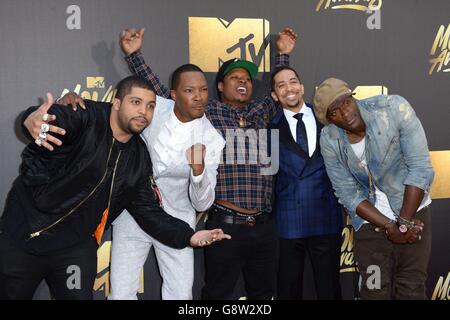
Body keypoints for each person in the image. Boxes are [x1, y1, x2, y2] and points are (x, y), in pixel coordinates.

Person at [0, 76, 229, 300]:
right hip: (24, 237)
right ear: (117, 104)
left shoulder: (138, 157)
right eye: (135, 102)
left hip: (74, 247)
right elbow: (51, 119)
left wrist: (190, 236)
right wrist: (30, 118)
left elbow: (148, 210)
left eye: (150, 106)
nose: (143, 112)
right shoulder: (85, 114)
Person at [120, 27, 297, 299]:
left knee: (264, 295)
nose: (242, 81)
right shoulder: (208, 111)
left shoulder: (262, 111)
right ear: (219, 87)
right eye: (234, 77)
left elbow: (281, 89)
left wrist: (283, 55)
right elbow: (163, 91)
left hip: (263, 225)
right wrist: (134, 56)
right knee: (217, 294)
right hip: (224, 224)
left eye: (247, 79)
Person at [108, 64, 225, 300]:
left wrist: (199, 172)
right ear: (173, 95)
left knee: (180, 294)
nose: (199, 97)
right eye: (190, 91)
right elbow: (115, 112)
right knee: (121, 292)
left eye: (203, 90)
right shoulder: (154, 108)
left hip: (177, 220)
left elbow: (203, 203)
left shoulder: (212, 139)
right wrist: (73, 103)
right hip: (133, 212)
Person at [313, 78, 434, 299]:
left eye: (346, 102)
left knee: (412, 288)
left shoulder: (393, 109)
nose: (345, 112)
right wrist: (389, 226)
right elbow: (347, 193)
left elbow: (420, 169)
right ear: (328, 120)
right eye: (335, 112)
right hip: (372, 225)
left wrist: (404, 225)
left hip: (413, 213)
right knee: (373, 288)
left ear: (352, 97)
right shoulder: (329, 139)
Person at [269, 66, 343, 299]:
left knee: (330, 289)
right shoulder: (269, 129)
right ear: (274, 95)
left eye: (293, 82)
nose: (288, 88)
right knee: (288, 291)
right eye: (281, 85)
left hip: (326, 218)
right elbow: (268, 177)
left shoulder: (328, 119)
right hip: (288, 222)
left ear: (302, 88)